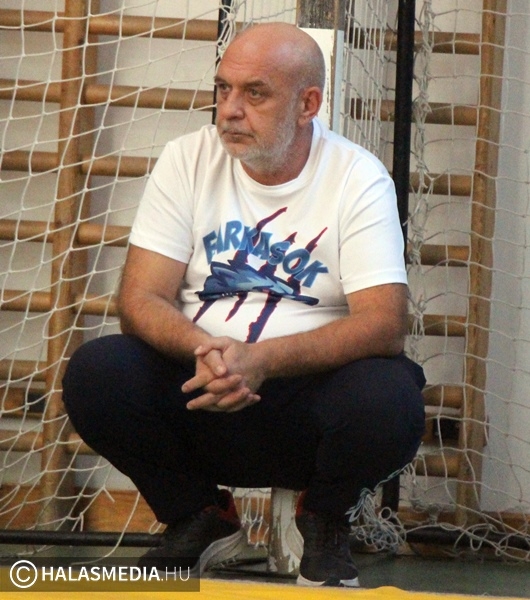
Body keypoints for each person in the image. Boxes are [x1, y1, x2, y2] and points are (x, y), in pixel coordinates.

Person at [62, 22, 426, 588]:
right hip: (202, 390)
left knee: (390, 395)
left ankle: (323, 519)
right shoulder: (187, 159)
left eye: (255, 94)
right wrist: (205, 350)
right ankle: (199, 516)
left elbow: (384, 325)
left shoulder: (357, 177)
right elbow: (139, 299)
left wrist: (262, 360)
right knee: (97, 371)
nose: (230, 110)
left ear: (308, 105)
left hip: (306, 411)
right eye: (223, 89)